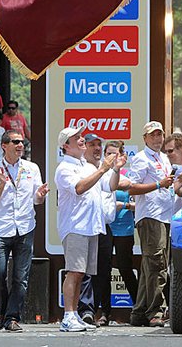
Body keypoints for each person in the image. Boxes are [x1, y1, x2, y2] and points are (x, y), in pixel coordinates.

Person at [55, 126, 125, 332]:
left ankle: (74, 314)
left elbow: (110, 186)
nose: (81, 139)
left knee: (81, 273)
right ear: (66, 146)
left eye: (81, 136)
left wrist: (116, 169)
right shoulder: (64, 168)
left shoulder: (88, 166)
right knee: (74, 272)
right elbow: (79, 188)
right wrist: (103, 168)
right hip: (75, 226)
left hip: (91, 227)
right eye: (76, 138)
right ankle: (67, 316)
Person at [0, 130, 49, 332]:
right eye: (15, 142)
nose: (20, 145)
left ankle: (12, 317)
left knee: (20, 278)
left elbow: (37, 199)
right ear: (4, 145)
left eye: (22, 142)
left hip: (25, 227)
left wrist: (40, 195)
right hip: (2, 228)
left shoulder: (31, 167)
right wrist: (2, 184)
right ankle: (2, 312)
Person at [128, 121, 182, 327]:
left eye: (160, 135)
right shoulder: (142, 159)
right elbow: (131, 188)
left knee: (150, 266)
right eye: (153, 135)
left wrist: (176, 184)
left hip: (164, 215)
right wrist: (159, 184)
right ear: (145, 138)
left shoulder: (163, 158)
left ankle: (139, 312)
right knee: (157, 265)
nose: (158, 139)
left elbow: (166, 188)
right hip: (150, 216)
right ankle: (155, 311)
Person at [77, 133, 129, 327]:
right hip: (84, 226)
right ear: (84, 148)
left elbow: (112, 186)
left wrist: (115, 168)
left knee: (102, 272)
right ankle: (84, 311)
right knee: (83, 271)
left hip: (103, 227)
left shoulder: (105, 169)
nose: (97, 148)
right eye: (92, 145)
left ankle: (99, 311)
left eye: (99, 144)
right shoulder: (80, 168)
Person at [104, 140, 138, 310]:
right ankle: (104, 313)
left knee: (125, 268)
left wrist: (124, 205)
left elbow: (139, 203)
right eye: (108, 153)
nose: (112, 157)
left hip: (124, 228)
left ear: (122, 156)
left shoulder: (128, 175)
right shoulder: (99, 173)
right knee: (104, 270)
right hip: (105, 227)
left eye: (115, 153)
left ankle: (139, 306)